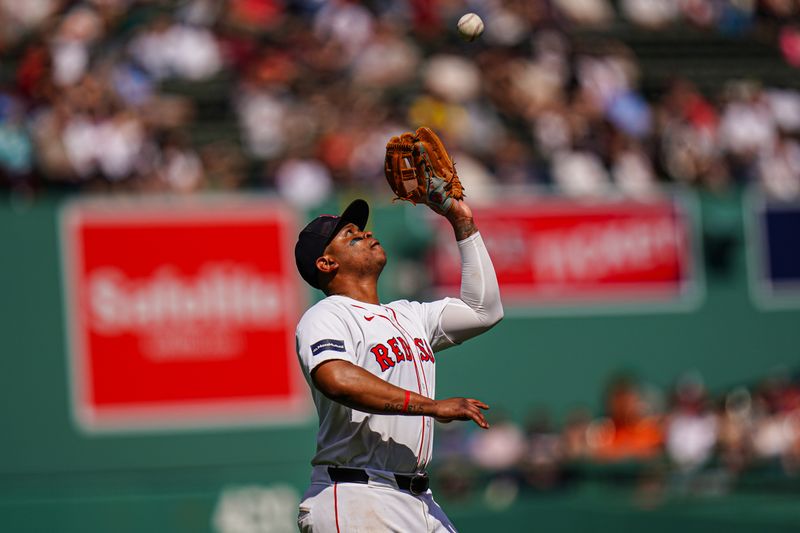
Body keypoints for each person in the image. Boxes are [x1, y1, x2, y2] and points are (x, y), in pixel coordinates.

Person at [294, 194, 503, 532]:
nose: (364, 234)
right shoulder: (325, 315)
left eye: (360, 230)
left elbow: (484, 311)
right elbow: (337, 380)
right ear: (326, 263)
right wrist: (431, 407)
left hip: (418, 499)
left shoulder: (410, 315)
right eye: (349, 235)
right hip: (355, 495)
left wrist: (462, 222)